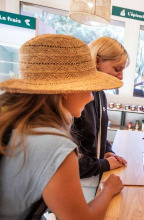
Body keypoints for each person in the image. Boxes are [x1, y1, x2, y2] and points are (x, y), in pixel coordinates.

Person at [0, 34, 124, 219]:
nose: (91, 96)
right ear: (67, 91)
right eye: (90, 88)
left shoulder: (22, 124)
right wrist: (107, 190)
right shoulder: (56, 145)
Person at [71, 36, 129, 202]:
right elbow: (69, 161)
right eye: (117, 69)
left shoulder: (100, 94)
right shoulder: (77, 98)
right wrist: (105, 164)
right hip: (80, 180)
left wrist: (107, 150)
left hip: (94, 174)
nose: (121, 76)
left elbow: (98, 132)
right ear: (97, 61)